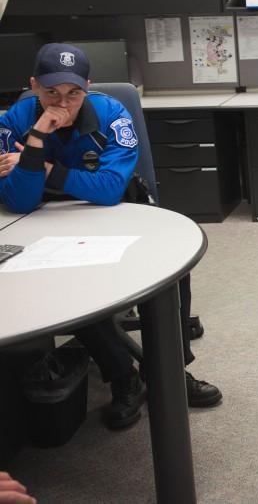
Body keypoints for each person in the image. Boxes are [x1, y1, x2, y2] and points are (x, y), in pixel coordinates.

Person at [0, 43, 222, 430]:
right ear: (34, 85)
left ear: (88, 86)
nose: (61, 104)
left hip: (116, 213)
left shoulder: (111, 114)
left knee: (173, 268)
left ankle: (169, 372)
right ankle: (123, 376)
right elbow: (19, 201)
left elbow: (107, 190)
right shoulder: (15, 120)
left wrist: (39, 164)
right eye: (51, 92)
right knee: (65, 284)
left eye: (73, 93)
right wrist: (36, 136)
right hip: (45, 220)